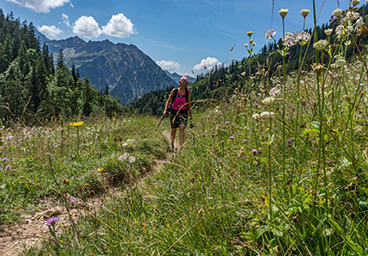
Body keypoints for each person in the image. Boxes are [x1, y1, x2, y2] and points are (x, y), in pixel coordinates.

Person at [163, 76, 192, 151]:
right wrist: (165, 110)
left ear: (186, 84)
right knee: (173, 129)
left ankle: (181, 147)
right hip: (174, 112)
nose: (181, 84)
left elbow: (189, 104)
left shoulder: (187, 93)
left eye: (183, 82)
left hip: (183, 112)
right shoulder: (174, 91)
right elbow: (168, 101)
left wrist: (191, 115)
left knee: (182, 128)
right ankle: (172, 144)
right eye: (180, 82)